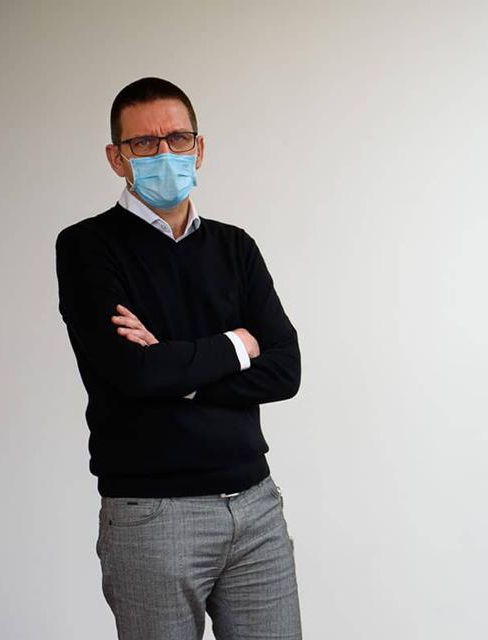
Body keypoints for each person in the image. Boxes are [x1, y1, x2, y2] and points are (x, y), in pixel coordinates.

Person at [56, 77, 302, 640]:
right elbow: (133, 373)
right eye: (144, 144)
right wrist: (237, 345)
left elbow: (286, 369)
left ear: (200, 148)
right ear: (117, 159)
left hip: (256, 505)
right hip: (153, 515)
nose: (164, 153)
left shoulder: (235, 246)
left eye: (178, 138)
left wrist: (177, 369)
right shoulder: (87, 247)